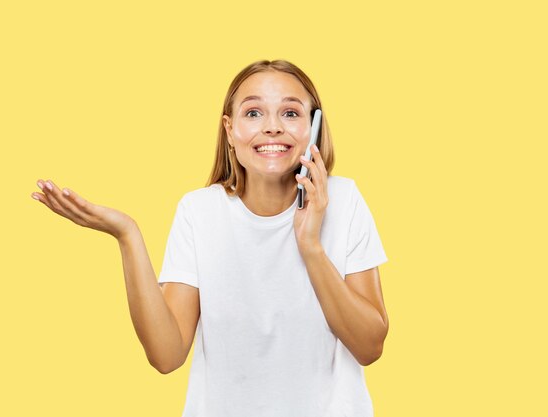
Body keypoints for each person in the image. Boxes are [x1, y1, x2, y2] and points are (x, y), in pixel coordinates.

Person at [31, 59, 389, 417]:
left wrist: (310, 246)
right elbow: (166, 355)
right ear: (230, 131)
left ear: (313, 127)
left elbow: (370, 346)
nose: (273, 128)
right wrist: (128, 235)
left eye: (291, 113)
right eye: (253, 113)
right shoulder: (198, 212)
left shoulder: (344, 201)